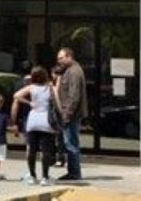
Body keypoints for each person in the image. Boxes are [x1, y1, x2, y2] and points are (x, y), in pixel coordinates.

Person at [12, 66, 58, 186]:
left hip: (33, 120)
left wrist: (29, 103)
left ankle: (32, 176)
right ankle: (45, 177)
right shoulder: (51, 88)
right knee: (45, 150)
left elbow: (16, 95)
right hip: (46, 121)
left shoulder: (31, 87)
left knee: (31, 149)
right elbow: (58, 103)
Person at [56, 47, 87, 181]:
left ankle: (74, 173)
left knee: (71, 143)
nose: (59, 61)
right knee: (69, 142)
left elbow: (74, 96)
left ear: (69, 56)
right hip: (69, 113)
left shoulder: (74, 72)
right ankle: (73, 171)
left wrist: (67, 114)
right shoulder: (69, 70)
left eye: (61, 58)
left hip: (71, 115)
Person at [51, 65, 67, 168]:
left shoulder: (61, 86)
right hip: (55, 113)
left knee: (60, 137)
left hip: (59, 113)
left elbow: (57, 97)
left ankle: (60, 158)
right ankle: (57, 158)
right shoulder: (52, 85)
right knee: (57, 137)